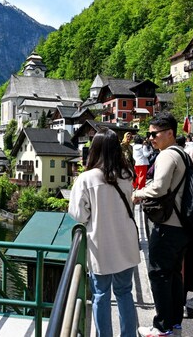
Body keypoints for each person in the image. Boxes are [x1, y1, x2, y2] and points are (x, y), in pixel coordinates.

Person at [69, 127, 140, 337]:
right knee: (125, 293)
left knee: (101, 294)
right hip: (126, 243)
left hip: (101, 245)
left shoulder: (87, 179)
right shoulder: (126, 174)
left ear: (95, 149)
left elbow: (78, 214)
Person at [133, 112, 188, 337]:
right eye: (149, 134)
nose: (150, 138)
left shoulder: (167, 155)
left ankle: (161, 326)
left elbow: (159, 188)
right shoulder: (182, 153)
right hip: (182, 225)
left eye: (154, 134)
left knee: (159, 274)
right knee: (174, 274)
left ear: (169, 133)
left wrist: (137, 193)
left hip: (168, 225)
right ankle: (174, 323)